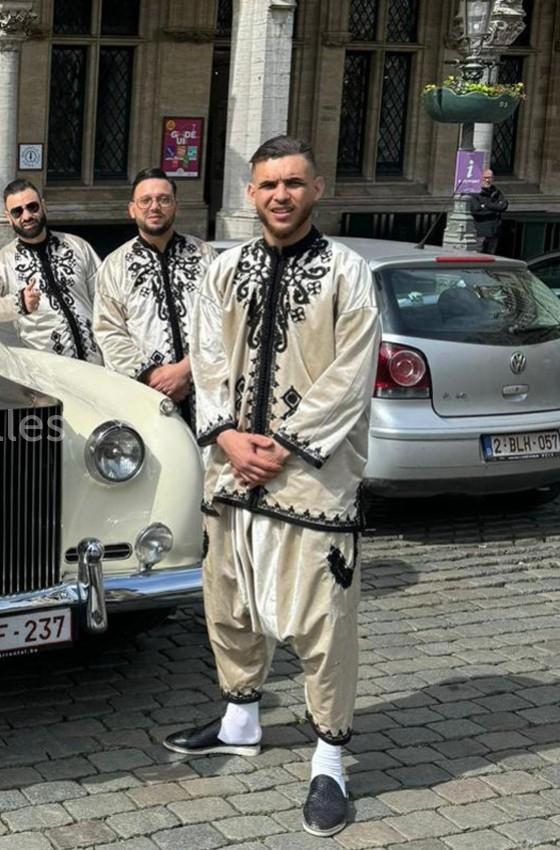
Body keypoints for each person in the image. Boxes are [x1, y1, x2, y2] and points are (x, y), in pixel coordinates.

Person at [165, 136, 381, 838]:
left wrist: (283, 446)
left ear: (317, 188)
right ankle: (240, 718)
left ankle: (328, 759)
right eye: (267, 185)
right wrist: (226, 434)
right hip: (230, 471)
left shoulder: (350, 273)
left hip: (315, 479)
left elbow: (350, 374)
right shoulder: (223, 270)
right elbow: (205, 356)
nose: (281, 195)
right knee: (228, 602)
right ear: (250, 193)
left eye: (293, 183)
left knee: (323, 621)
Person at [94, 167, 216, 426]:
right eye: (145, 200)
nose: (155, 207)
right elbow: (109, 332)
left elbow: (224, 323)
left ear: (176, 206)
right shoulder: (115, 266)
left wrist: (186, 369)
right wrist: (152, 374)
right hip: (147, 395)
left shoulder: (206, 257)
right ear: (132, 209)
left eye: (163, 199)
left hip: (208, 395)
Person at [0, 179, 103, 363]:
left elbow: (106, 296)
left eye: (32, 207)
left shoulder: (78, 246)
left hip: (98, 369)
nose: (27, 216)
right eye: (17, 211)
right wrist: (17, 303)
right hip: (46, 376)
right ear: (9, 217)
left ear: (43, 206)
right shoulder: (2, 263)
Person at [470, 168, 508, 255]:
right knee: (477, 256)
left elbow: (504, 206)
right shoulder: (474, 193)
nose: (487, 180)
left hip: (494, 232)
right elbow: (476, 210)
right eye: (485, 178)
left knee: (491, 257)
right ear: (480, 178)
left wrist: (486, 205)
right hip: (480, 233)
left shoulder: (496, 191)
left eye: (490, 178)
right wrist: (495, 208)